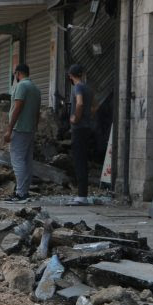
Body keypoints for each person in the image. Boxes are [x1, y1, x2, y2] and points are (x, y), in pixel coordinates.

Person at [3, 63, 42, 203]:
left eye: (15, 74)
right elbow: (38, 112)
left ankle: (20, 194)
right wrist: (35, 127)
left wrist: (9, 129)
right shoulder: (36, 89)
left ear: (18, 73)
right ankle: (24, 191)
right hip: (30, 129)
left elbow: (17, 108)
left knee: (17, 160)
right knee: (26, 160)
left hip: (19, 128)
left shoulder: (21, 86)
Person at [68, 64, 95, 206]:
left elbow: (79, 104)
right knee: (83, 161)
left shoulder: (77, 87)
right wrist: (87, 118)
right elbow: (93, 107)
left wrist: (76, 118)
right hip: (87, 127)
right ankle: (83, 193)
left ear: (70, 76)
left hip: (79, 129)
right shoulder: (88, 88)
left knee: (79, 161)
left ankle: (81, 196)